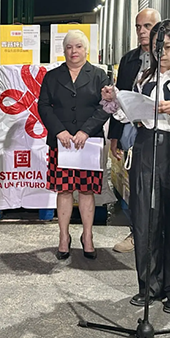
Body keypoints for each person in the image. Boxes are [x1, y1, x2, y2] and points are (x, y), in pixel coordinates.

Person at [101, 19, 170, 314]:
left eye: (168, 47)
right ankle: (149, 285)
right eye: (157, 48)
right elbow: (129, 116)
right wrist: (116, 102)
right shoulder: (144, 78)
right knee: (145, 218)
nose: (161, 53)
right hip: (146, 147)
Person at [38, 30, 110, 261]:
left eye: (78, 46)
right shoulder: (52, 76)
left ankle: (87, 236)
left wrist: (85, 131)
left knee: (87, 191)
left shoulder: (99, 75)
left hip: (89, 142)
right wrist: (59, 131)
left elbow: (106, 106)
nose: (73, 51)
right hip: (61, 143)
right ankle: (63, 237)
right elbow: (43, 106)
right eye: (69, 47)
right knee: (64, 190)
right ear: (64, 50)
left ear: (86, 50)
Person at [109, 8, 161, 254]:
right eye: (138, 27)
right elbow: (120, 100)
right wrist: (115, 136)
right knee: (136, 187)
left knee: (160, 187)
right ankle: (137, 234)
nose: (142, 31)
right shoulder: (128, 60)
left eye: (147, 26)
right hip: (134, 133)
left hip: (164, 135)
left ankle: (160, 237)